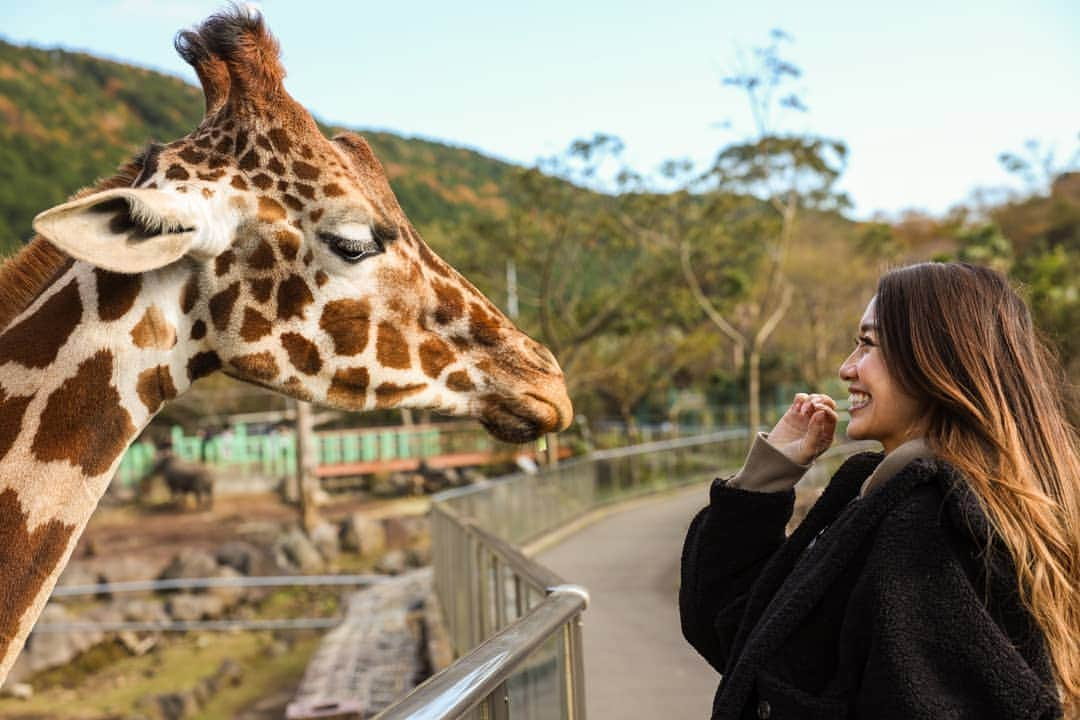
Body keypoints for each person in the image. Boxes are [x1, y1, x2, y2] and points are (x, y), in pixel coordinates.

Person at [680, 262, 1077, 719]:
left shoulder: (929, 527)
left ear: (934, 359)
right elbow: (742, 636)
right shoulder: (887, 500)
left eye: (868, 344)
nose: (846, 368)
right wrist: (767, 477)